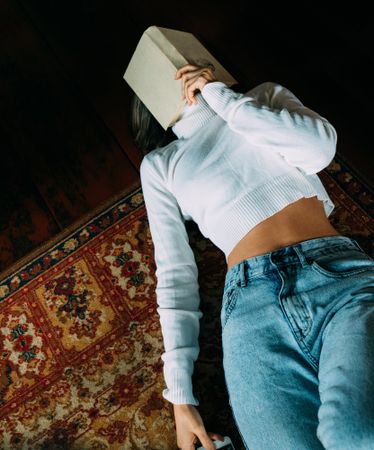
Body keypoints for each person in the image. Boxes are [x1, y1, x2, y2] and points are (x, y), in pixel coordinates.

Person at [132, 63, 374, 450]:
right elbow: (175, 275)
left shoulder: (262, 98)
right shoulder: (160, 165)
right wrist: (180, 396)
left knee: (355, 435)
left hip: (336, 276)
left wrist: (221, 98)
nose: (181, 72)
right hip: (250, 313)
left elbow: (320, 149)